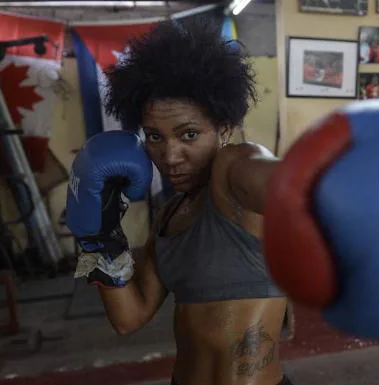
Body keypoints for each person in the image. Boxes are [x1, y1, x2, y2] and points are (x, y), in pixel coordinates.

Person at [70, 18, 291, 385]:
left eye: (189, 134)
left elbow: (283, 184)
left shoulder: (234, 171)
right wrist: (100, 237)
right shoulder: (169, 215)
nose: (170, 156)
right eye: (155, 136)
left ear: (223, 128)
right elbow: (130, 319)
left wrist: (318, 183)